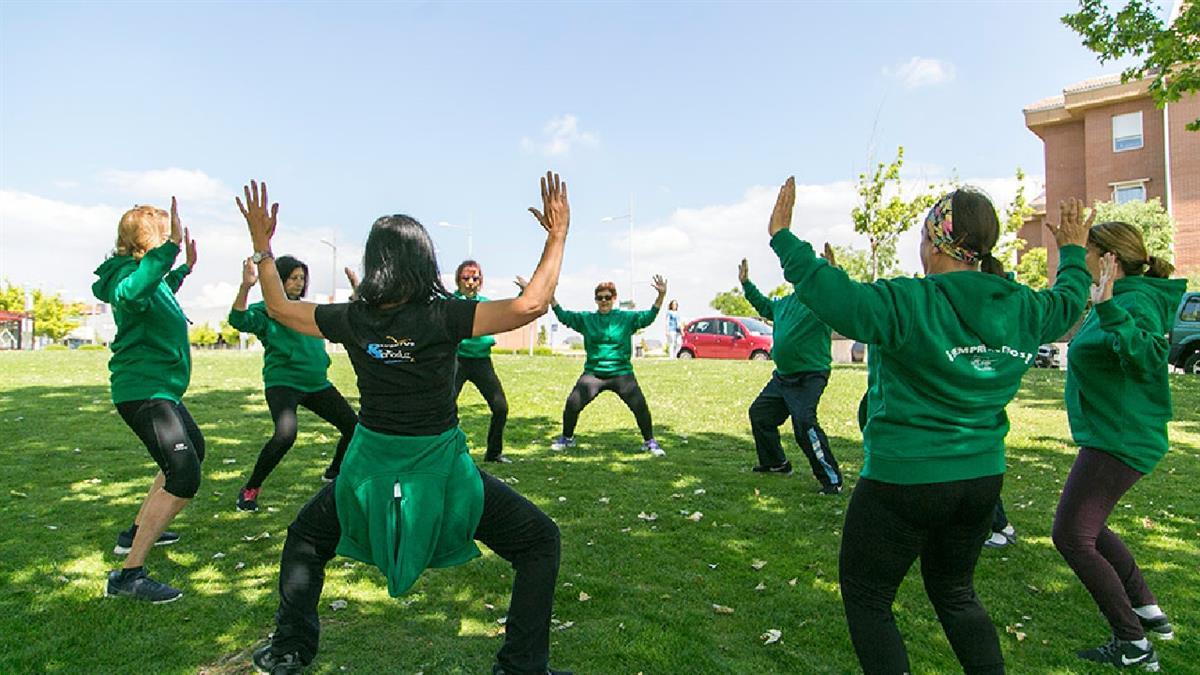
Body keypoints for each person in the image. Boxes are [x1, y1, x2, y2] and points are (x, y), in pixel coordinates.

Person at [238, 174, 572, 675]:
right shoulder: (444, 317)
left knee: (307, 539)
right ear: (424, 260)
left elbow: (281, 310)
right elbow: (531, 305)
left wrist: (264, 247)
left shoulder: (354, 319)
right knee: (539, 541)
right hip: (441, 475)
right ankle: (522, 666)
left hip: (368, 471)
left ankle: (290, 649)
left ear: (376, 262)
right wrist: (557, 236)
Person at [763, 177, 1091, 674]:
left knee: (869, 599)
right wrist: (1070, 252)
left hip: (904, 481)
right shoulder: (1023, 306)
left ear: (934, 240)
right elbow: (1068, 300)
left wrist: (783, 238)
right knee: (956, 594)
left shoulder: (910, 302)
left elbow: (840, 300)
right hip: (980, 481)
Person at [1053, 219, 1184, 669]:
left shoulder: (1137, 301)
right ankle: (1148, 611)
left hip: (1121, 440)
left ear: (1108, 258)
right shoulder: (1118, 298)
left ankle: (1132, 642)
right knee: (1091, 527)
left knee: (1071, 535)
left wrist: (1107, 308)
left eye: (1085, 251)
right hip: (1112, 434)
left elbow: (1149, 357)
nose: (1079, 259)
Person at [92, 198, 203, 603]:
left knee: (193, 452)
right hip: (143, 389)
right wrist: (171, 249)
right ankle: (128, 575)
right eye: (165, 236)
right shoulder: (127, 278)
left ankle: (135, 533)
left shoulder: (144, 278)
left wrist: (184, 269)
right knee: (184, 474)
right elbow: (136, 293)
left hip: (160, 389)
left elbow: (159, 289)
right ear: (149, 241)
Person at [229, 255, 359, 512]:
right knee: (285, 435)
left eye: (302, 278)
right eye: (293, 278)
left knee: (354, 428)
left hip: (317, 384)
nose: (299, 283)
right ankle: (251, 488)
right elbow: (238, 320)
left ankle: (333, 472)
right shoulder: (267, 310)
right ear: (278, 279)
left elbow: (343, 316)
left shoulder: (309, 309)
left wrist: (356, 291)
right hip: (284, 383)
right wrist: (246, 286)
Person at [739, 256, 843, 493]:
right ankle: (776, 463)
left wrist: (834, 272)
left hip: (809, 376)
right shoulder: (785, 303)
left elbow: (839, 295)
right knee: (760, 414)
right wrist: (746, 284)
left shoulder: (820, 301)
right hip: (783, 377)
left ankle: (832, 479)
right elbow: (764, 305)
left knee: (804, 423)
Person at [539, 276, 668, 456]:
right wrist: (552, 299)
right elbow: (565, 317)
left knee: (640, 406)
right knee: (572, 404)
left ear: (614, 298)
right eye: (600, 298)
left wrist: (661, 296)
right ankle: (567, 439)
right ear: (596, 300)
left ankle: (650, 442)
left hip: (622, 373)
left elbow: (648, 317)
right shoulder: (587, 319)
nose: (604, 301)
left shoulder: (625, 318)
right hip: (594, 374)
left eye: (607, 297)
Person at [452, 259, 511, 464]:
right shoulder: (450, 302)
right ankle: (446, 452)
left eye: (475, 278)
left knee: (500, 407)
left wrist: (524, 294)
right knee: (445, 406)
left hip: (481, 362)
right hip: (457, 361)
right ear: (458, 280)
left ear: (481, 281)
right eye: (466, 277)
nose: (470, 282)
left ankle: (494, 453)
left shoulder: (486, 303)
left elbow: (510, 313)